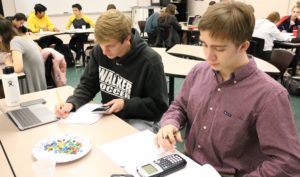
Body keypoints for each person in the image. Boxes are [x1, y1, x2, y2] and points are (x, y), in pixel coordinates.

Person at [155, 2, 300, 177]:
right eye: (204, 44)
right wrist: (170, 122)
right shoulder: (199, 71)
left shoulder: (269, 95)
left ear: (243, 46)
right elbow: (179, 106)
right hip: (188, 165)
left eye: (219, 48)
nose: (208, 55)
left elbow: (288, 162)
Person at [56, 10, 169, 131]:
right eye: (101, 45)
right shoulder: (100, 51)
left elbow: (159, 105)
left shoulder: (150, 61)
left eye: (110, 46)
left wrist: (125, 105)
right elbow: (87, 85)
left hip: (140, 119)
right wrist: (72, 103)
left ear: (127, 38)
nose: (104, 52)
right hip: (110, 115)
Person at [0, 18, 47, 93]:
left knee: (3, 87)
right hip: (39, 84)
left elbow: (18, 69)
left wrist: (8, 62)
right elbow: (40, 49)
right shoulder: (23, 38)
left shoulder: (15, 42)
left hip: (30, 88)